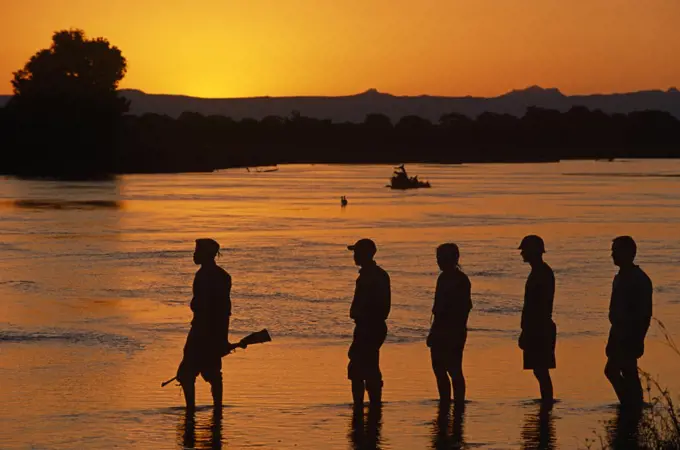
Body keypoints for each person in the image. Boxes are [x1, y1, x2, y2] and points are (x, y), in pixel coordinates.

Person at [176, 238, 232, 411]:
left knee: (187, 375)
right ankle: (217, 410)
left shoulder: (204, 276)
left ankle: (191, 411)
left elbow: (214, 308)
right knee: (212, 372)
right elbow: (225, 311)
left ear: (207, 254)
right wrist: (222, 338)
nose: (194, 254)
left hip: (201, 331)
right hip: (213, 332)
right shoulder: (223, 276)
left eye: (197, 251)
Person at [604, 236, 653, 406]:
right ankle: (632, 405)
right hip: (618, 333)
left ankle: (631, 404)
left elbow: (645, 314)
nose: (612, 255)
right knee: (626, 371)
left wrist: (638, 338)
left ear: (628, 253)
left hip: (629, 335)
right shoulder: (621, 277)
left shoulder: (638, 279)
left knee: (615, 370)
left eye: (616, 251)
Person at [347, 238, 391, 407]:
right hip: (372, 327)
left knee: (359, 368)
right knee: (368, 366)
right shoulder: (377, 274)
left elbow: (374, 305)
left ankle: (363, 407)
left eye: (357, 253)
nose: (354, 256)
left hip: (368, 327)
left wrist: (361, 317)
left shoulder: (371, 277)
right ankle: (373, 407)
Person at [426, 243, 472, 405]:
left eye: (441, 258)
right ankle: (446, 401)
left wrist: (437, 332)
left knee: (453, 369)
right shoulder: (445, 278)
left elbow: (459, 309)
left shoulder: (460, 280)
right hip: (447, 330)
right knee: (440, 369)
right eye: (438, 258)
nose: (438, 262)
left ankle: (457, 402)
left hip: (451, 331)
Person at [518, 235, 557, 404]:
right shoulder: (539, 272)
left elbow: (538, 306)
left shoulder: (542, 273)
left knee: (541, 370)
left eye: (524, 250)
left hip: (539, 328)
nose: (522, 254)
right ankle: (546, 404)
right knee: (539, 370)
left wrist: (528, 331)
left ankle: (547, 404)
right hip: (537, 327)